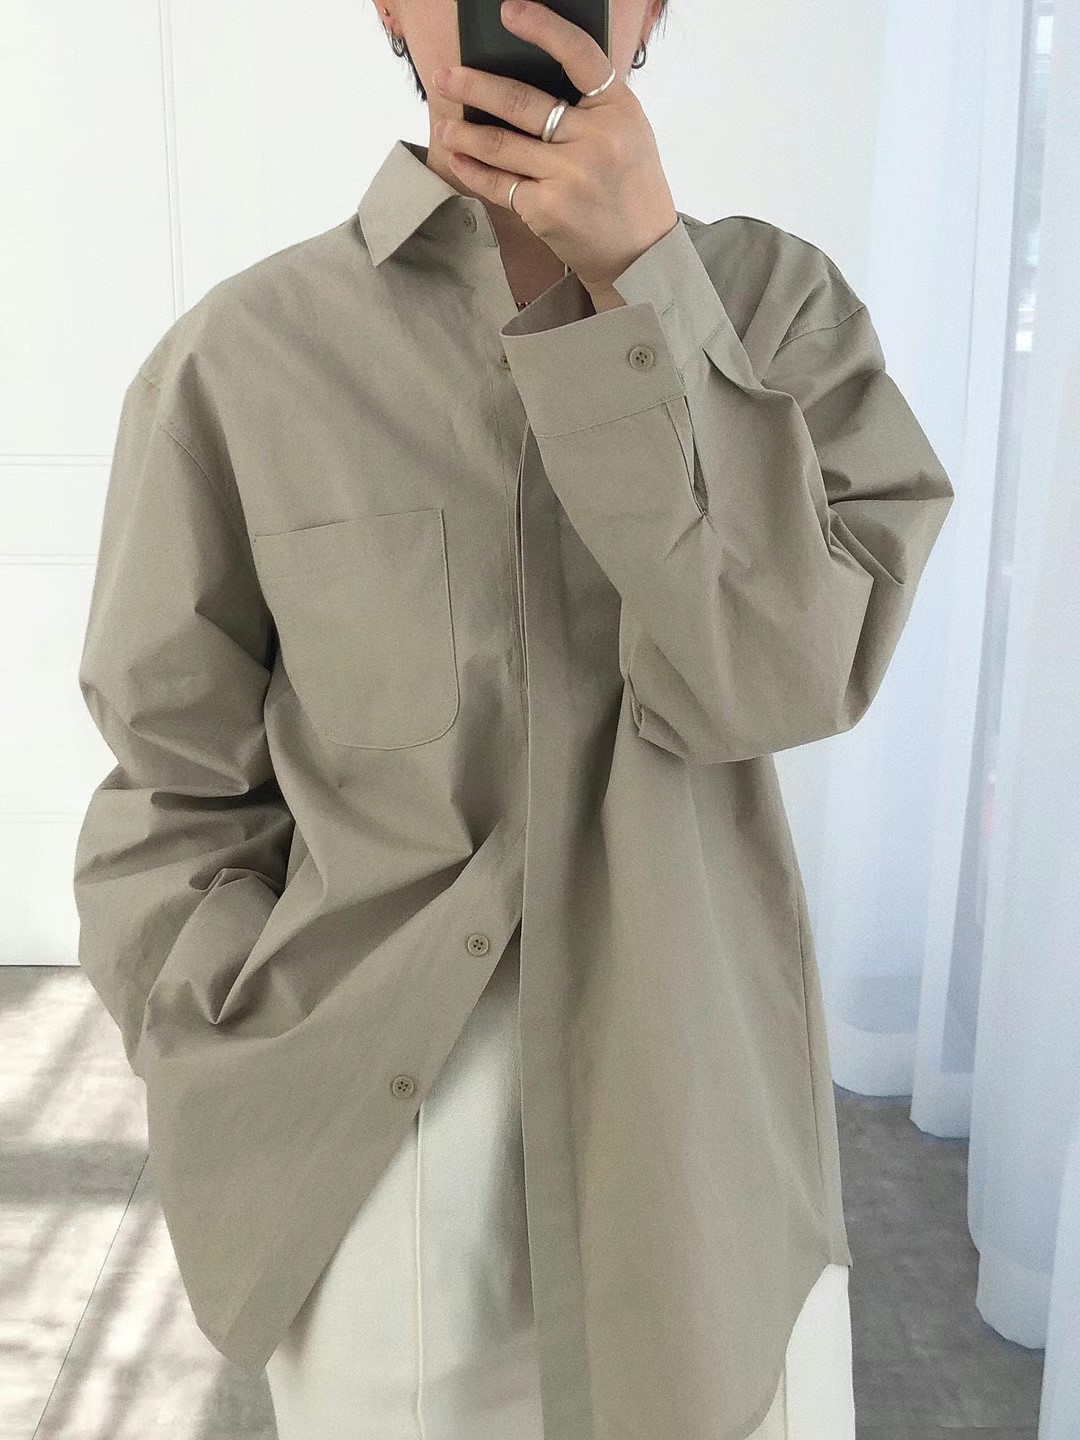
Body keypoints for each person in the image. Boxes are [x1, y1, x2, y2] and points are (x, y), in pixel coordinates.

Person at [73, 0, 955, 1436]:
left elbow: (785, 675)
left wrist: (650, 286)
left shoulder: (779, 314)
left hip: (702, 1134)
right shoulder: (241, 360)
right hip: (373, 1149)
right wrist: (215, 1042)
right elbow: (171, 779)